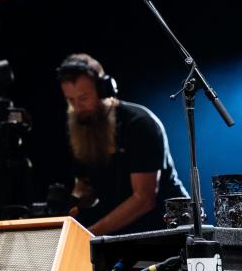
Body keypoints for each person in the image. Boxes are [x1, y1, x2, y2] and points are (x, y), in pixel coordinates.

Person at [57, 53, 187, 235]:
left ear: (104, 89)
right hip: (120, 231)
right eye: (71, 100)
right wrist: (73, 207)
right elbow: (85, 186)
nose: (78, 107)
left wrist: (88, 235)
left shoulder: (140, 124)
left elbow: (144, 199)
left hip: (166, 229)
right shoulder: (83, 126)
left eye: (84, 98)